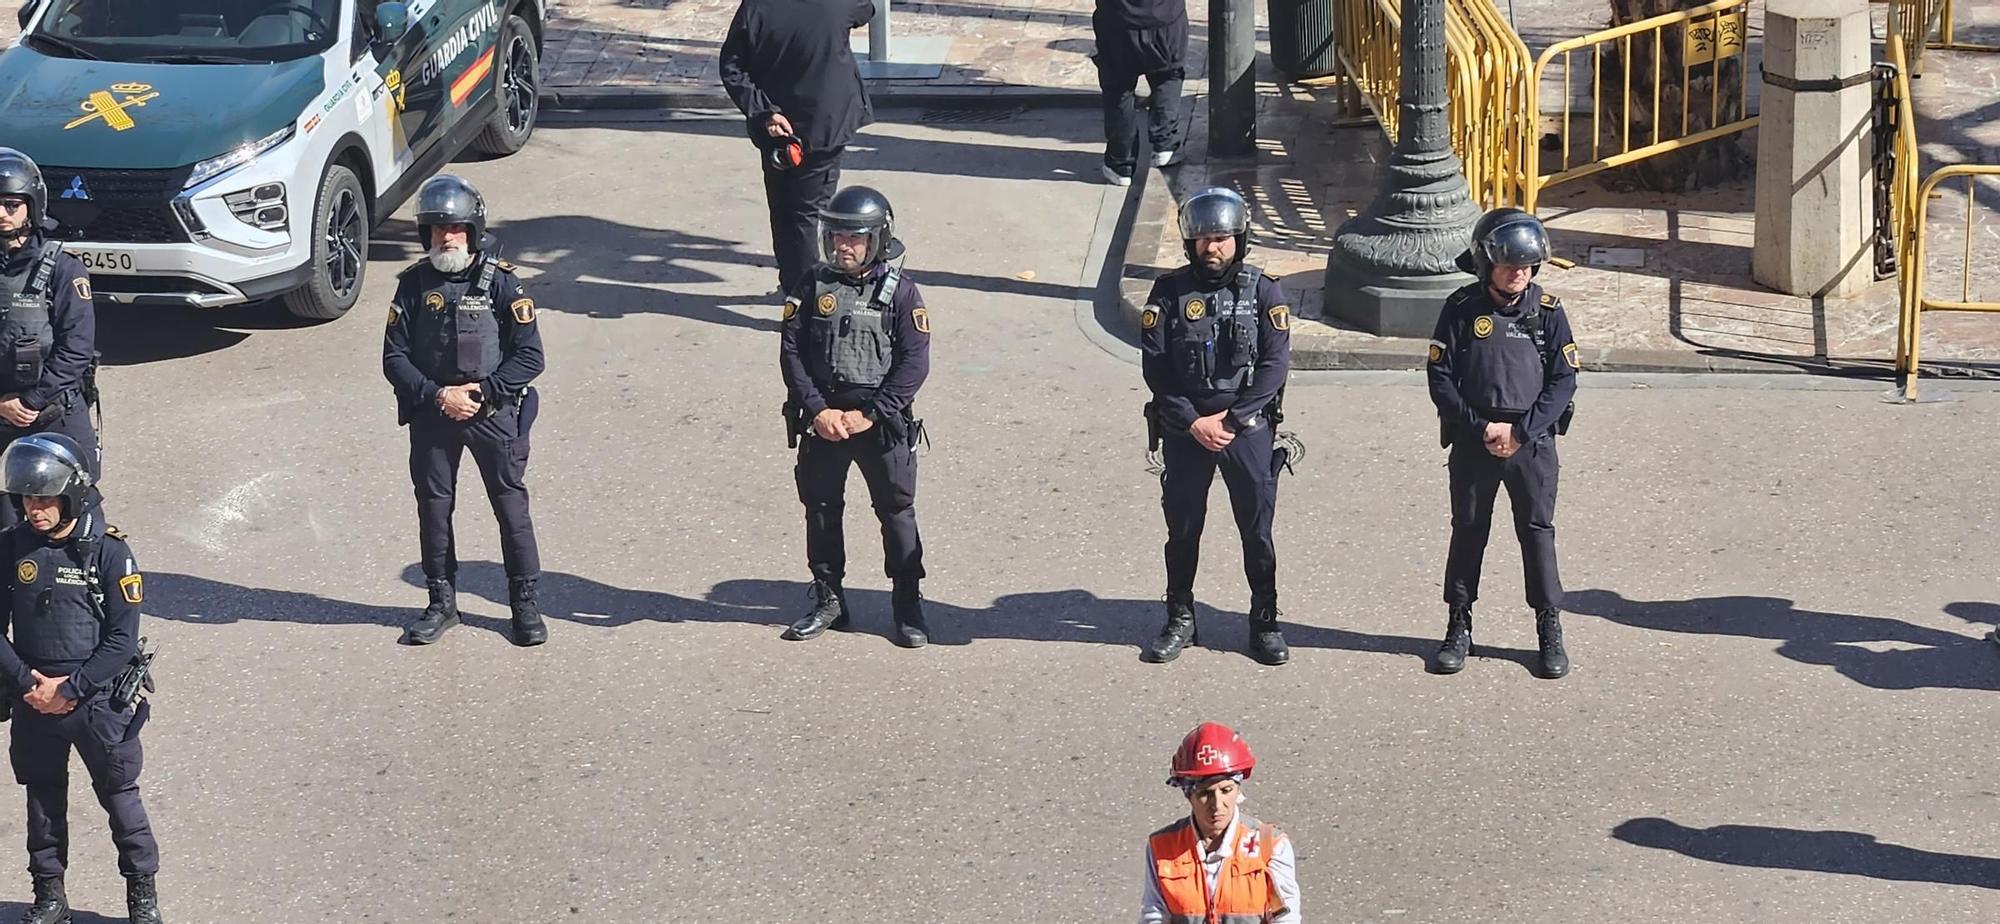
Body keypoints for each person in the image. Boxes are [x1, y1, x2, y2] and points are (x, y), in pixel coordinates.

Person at [0, 433, 162, 924]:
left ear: (70, 494)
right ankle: (49, 895)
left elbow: (121, 638)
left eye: (46, 498)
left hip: (95, 702)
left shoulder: (111, 553)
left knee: (120, 799)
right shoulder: (10, 548)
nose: (36, 509)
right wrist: (28, 682)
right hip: (32, 695)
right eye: (28, 498)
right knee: (42, 797)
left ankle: (142, 897)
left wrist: (69, 690)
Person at [383, 175, 547, 648]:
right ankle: (440, 602)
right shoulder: (413, 286)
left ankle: (524, 604)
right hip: (435, 414)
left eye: (455, 228)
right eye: (437, 229)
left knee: (510, 507)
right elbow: (394, 357)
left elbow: (531, 356)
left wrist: (486, 390)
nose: (446, 237)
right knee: (434, 509)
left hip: (493, 414)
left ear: (472, 231)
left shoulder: (503, 283)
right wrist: (438, 396)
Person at [1139, 188, 1292, 666]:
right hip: (1188, 430)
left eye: (1222, 237)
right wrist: (1192, 421)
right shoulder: (1168, 292)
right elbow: (1156, 368)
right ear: (1190, 243)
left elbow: (1274, 367)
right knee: (1183, 529)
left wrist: (1231, 419)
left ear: (1238, 238)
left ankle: (1264, 621)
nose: (1213, 247)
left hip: (1245, 429)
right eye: (1204, 238)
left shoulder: (1264, 291)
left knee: (1257, 530)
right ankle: (1180, 616)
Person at [1426, 207, 1580, 679]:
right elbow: (1441, 377)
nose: (1519, 273)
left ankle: (1548, 628)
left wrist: (1521, 431)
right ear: (1484, 263)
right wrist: (1480, 429)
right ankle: (1458, 624)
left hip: (1530, 446)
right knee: (1468, 530)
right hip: (1475, 443)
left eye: (1527, 265)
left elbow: (1563, 381)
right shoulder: (1459, 309)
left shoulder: (1548, 313)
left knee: (1536, 534)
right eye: (1509, 264)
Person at [777, 185, 931, 648]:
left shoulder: (902, 293)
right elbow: (791, 352)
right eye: (837, 236)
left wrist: (872, 413)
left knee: (896, 511)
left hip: (879, 423)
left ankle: (907, 602)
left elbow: (914, 364)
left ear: (877, 240)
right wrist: (819, 411)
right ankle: (828, 598)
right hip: (824, 419)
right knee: (821, 508)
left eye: (854, 238)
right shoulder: (811, 285)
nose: (842, 246)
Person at [721, 0, 878, 297]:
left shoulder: (757, 7)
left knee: (782, 209)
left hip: (776, 129)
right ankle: (805, 301)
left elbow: (732, 66)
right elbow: (866, 11)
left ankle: (793, 288)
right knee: (806, 216)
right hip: (826, 123)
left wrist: (764, 112)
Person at [0, 148, 100, 532]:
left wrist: (29, 401)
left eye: (12, 204)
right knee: (8, 522)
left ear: (32, 206)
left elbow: (76, 348)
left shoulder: (62, 267)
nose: (3, 213)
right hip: (2, 408)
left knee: (75, 512)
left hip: (52, 411)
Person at [1139, 722, 1300, 924]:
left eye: (1226, 791)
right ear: (1188, 796)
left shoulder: (1270, 845)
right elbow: (1154, 915)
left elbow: (1287, 919)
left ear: (1238, 790)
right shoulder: (1162, 847)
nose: (1217, 805)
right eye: (1205, 794)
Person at [1091, 0, 1189, 186]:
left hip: (1118, 25)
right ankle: (1166, 144)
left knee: (1119, 89)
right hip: (1165, 21)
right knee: (1167, 76)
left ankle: (1121, 162)